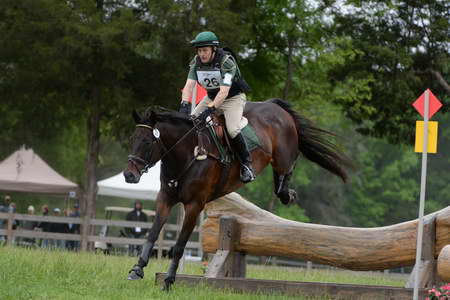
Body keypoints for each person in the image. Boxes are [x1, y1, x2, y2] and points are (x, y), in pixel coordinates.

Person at [180, 31, 255, 183]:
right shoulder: (196, 62)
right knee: (190, 123)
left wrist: (211, 108)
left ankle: (247, 165)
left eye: (205, 50)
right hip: (211, 96)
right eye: (200, 50)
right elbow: (189, 86)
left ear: (213, 49)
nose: (202, 54)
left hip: (232, 98)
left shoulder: (226, 62)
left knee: (233, 129)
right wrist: (184, 104)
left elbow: (225, 91)